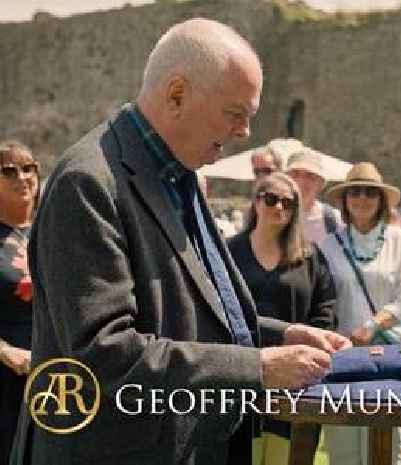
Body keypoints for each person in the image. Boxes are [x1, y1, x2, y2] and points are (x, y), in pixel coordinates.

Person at [13, 18, 350, 465]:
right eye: (235, 114)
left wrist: (279, 333)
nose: (244, 133)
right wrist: (258, 367)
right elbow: (103, 355)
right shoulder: (88, 183)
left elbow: (191, 309)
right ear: (176, 95)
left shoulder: (177, 174)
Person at [227, 172, 337, 465]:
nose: (279, 208)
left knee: (289, 456)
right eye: (271, 199)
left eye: (288, 203)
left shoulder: (309, 256)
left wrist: (315, 352)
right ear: (256, 202)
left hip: (297, 376)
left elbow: (325, 308)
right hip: (242, 373)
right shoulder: (228, 252)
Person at [319, 162, 401, 465]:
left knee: (389, 436)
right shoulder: (329, 244)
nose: (362, 198)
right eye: (354, 192)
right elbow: (324, 301)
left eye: (370, 193)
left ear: (381, 200)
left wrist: (372, 324)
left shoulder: (400, 239)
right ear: (345, 200)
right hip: (344, 354)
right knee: (344, 437)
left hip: (389, 351)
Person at [0, 141, 39, 465]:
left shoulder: (54, 230)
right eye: (8, 170)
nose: (21, 176)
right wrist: (4, 351)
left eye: (29, 168)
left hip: (54, 373)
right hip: (5, 378)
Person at [285, 147, 343, 245]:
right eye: (295, 174)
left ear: (320, 184)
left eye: (310, 176)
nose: (301, 182)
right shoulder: (272, 214)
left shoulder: (334, 220)